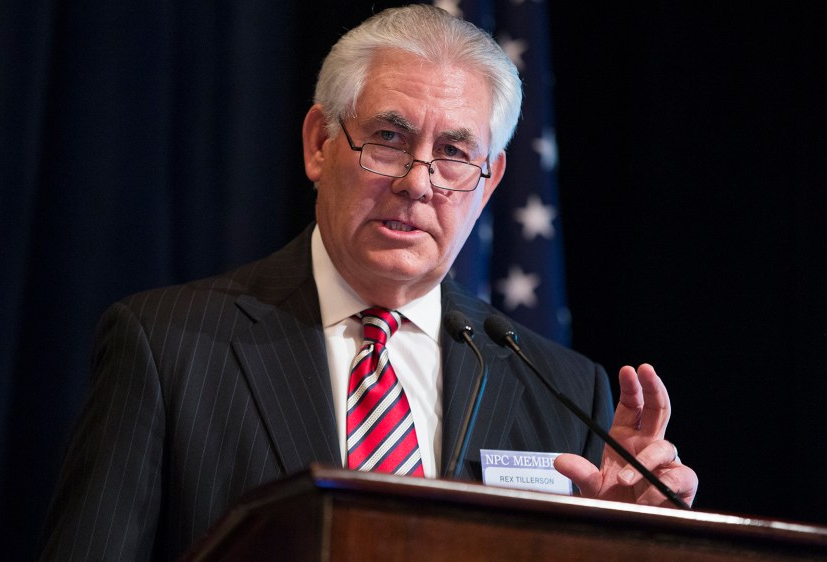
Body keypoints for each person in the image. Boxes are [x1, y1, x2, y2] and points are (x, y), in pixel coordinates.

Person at [40, 5, 698, 560]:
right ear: (319, 144)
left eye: (453, 154)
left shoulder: (564, 392)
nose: (418, 182)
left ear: (489, 180)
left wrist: (633, 540)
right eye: (388, 138)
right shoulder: (167, 348)